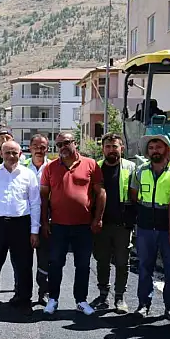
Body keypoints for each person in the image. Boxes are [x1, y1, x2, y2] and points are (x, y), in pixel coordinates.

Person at [42, 132, 105, 316]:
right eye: (59, 144)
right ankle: (53, 299)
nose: (62, 147)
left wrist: (98, 218)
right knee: (55, 263)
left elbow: (100, 193)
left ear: (75, 143)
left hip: (83, 225)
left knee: (83, 264)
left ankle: (81, 300)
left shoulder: (90, 164)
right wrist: (45, 222)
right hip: (59, 225)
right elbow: (44, 198)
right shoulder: (50, 167)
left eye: (66, 143)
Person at [0, 140, 40, 316]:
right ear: (1, 153)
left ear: (20, 154)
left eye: (15, 153)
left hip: (21, 224)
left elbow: (35, 204)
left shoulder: (28, 175)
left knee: (24, 266)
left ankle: (24, 301)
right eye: (7, 153)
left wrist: (34, 231)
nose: (11, 156)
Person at [130, 134, 170, 320]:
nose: (154, 151)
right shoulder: (141, 170)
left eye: (158, 147)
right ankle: (143, 304)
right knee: (144, 267)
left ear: (167, 149)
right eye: (151, 148)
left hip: (168, 227)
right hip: (145, 227)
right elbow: (134, 195)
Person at [89, 133, 136, 314]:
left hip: (122, 225)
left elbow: (135, 196)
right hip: (101, 224)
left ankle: (119, 297)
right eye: (108, 147)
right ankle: (103, 295)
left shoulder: (131, 168)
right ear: (103, 149)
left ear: (121, 148)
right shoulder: (96, 168)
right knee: (102, 261)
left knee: (123, 263)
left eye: (115, 146)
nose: (111, 150)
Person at [25, 134, 51, 306]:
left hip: (46, 220)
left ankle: (44, 293)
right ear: (29, 148)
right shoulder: (21, 167)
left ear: (47, 148)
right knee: (23, 259)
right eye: (36, 146)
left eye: (43, 147)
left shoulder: (53, 167)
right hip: (24, 220)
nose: (39, 150)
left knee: (45, 259)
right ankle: (22, 293)